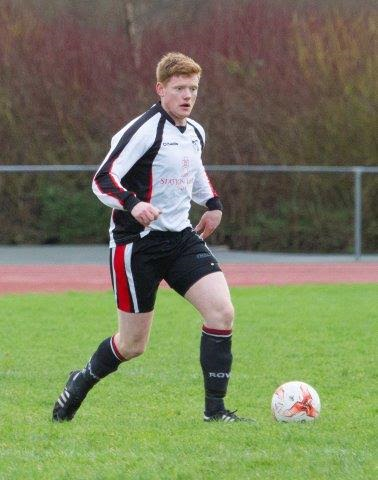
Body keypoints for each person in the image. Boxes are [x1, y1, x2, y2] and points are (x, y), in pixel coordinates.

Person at [52, 52, 251, 423]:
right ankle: (79, 382)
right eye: (179, 88)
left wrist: (212, 203)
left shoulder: (195, 132)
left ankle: (215, 412)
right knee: (132, 345)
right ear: (160, 89)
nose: (187, 96)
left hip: (180, 240)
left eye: (193, 88)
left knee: (222, 312)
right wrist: (132, 203)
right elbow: (102, 179)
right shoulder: (144, 130)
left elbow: (196, 175)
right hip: (137, 245)